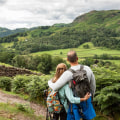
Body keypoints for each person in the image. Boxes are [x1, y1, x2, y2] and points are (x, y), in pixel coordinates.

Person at [48, 50, 96, 120]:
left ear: (67, 60)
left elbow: (55, 87)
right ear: (77, 58)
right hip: (87, 98)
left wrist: (49, 82)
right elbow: (93, 86)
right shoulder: (87, 69)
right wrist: (91, 97)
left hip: (74, 102)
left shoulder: (67, 73)